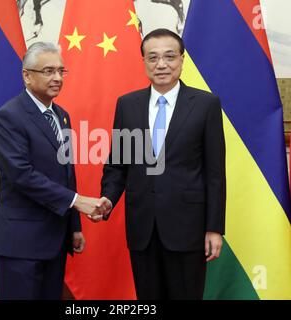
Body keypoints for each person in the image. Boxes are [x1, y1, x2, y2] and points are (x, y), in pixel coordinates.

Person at [91, 29, 226, 299]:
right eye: (152, 58)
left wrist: (214, 228)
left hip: (188, 228)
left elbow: (215, 173)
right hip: (143, 228)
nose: (161, 64)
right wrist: (107, 198)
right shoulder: (128, 104)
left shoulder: (205, 104)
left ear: (181, 59)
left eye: (169, 57)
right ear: (143, 61)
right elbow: (118, 164)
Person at [0, 42, 106, 300]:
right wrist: (77, 202)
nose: (57, 78)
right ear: (27, 76)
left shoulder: (61, 116)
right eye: (48, 71)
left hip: (56, 238)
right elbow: (21, 175)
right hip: (21, 241)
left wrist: (74, 225)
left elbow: (67, 172)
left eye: (61, 71)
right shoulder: (10, 116)